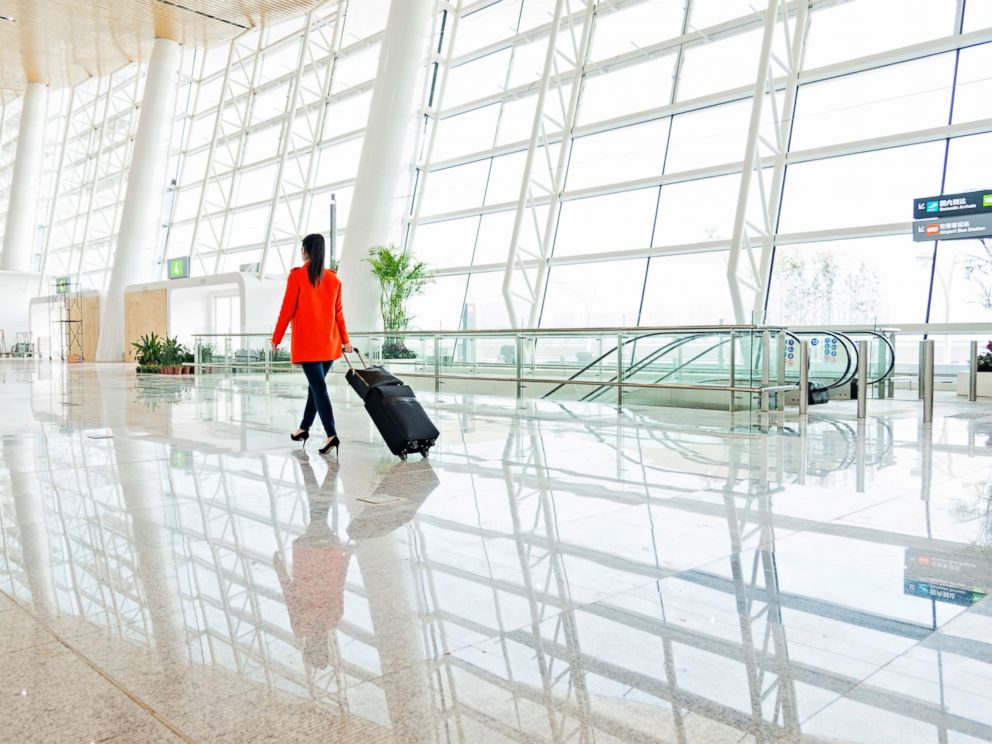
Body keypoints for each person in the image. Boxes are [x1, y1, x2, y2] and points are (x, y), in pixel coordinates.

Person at [272, 233, 352, 455]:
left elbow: (286, 310)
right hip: (329, 345)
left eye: (302, 249)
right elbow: (339, 315)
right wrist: (345, 341)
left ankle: (331, 434)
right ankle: (303, 429)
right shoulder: (333, 279)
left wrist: (276, 338)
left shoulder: (297, 277)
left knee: (318, 388)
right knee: (315, 388)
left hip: (309, 347)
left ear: (305, 251)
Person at [274, 453, 350, 669]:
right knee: (317, 509)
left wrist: (280, 569)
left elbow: (291, 595)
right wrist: (346, 557)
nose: (317, 645)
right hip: (319, 555)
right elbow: (339, 585)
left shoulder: (308, 624)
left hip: (315, 556)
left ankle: (325, 467)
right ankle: (313, 465)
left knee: (318, 508)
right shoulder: (328, 619)